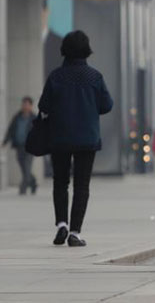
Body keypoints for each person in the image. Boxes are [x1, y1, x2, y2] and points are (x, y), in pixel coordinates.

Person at [38, 30, 113, 247]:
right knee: (82, 185)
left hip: (59, 137)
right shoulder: (95, 77)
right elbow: (107, 105)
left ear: (65, 50)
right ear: (86, 50)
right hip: (86, 139)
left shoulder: (55, 76)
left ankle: (61, 224)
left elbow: (44, 106)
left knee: (60, 182)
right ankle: (75, 232)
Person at [3, 96, 38, 195]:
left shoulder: (34, 118)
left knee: (27, 167)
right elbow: (10, 130)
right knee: (24, 169)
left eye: (27, 104)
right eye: (24, 104)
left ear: (31, 106)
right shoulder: (17, 117)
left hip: (30, 147)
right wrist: (5, 142)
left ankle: (22, 190)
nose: (25, 106)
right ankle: (33, 183)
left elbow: (40, 132)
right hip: (19, 146)